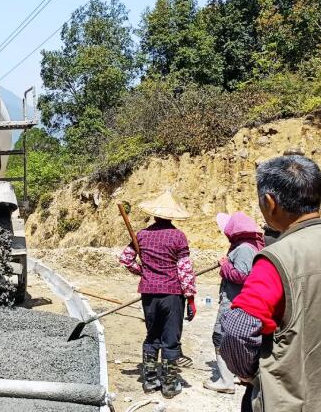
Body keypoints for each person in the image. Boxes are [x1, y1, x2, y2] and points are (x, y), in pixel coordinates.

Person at [220, 155, 321, 412]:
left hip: (290, 398)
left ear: (269, 202)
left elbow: (238, 330)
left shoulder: (277, 258)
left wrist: (249, 373)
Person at [119, 191, 197, 399]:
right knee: (170, 339)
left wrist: (142, 271)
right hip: (172, 295)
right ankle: (170, 385)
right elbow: (185, 270)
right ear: (172, 216)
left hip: (149, 294)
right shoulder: (178, 237)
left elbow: (125, 259)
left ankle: (150, 380)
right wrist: (190, 297)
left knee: (152, 336)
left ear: (154, 215)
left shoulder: (142, 235)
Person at [204, 212, 264, 394]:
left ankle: (225, 380)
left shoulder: (245, 248)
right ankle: (241, 374)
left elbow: (241, 275)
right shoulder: (250, 245)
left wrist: (224, 265)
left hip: (233, 301)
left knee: (220, 337)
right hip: (241, 301)